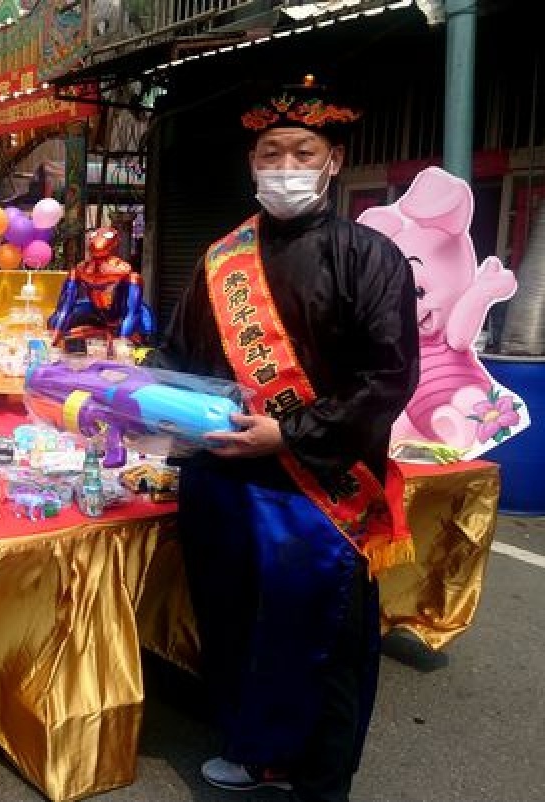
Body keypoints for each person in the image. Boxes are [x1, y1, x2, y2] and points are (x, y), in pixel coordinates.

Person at [151, 77, 420, 802]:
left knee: (324, 638)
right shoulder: (219, 262)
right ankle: (249, 748)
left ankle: (320, 780)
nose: (286, 165)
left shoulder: (369, 257)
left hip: (317, 487)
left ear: (333, 161)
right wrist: (139, 396)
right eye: (272, 153)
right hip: (224, 479)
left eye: (303, 151)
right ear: (253, 164)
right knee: (234, 624)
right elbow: (176, 359)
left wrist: (290, 431)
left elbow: (388, 377)